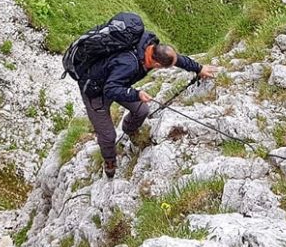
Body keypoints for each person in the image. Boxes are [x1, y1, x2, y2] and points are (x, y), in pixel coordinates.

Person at [76, 13, 219, 178]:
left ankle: (129, 129)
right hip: (95, 91)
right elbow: (110, 90)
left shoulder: (151, 45)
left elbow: (175, 59)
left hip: (117, 80)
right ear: (157, 64)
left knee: (142, 111)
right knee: (108, 136)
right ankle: (109, 161)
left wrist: (198, 68)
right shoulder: (129, 64)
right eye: (164, 67)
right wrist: (135, 93)